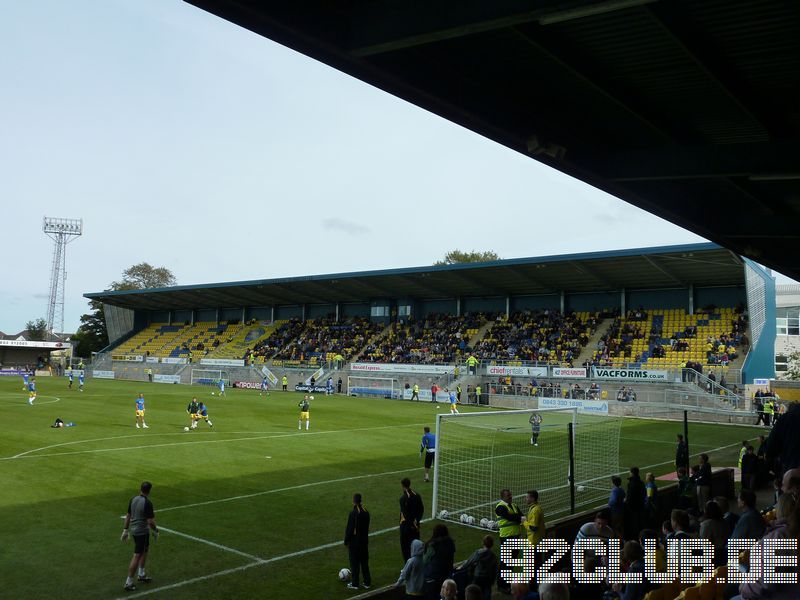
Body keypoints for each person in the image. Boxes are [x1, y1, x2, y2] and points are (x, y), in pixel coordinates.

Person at [120, 481, 158, 591]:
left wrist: (125, 530)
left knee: (144, 551)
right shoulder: (147, 503)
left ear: (140, 489)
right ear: (149, 491)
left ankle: (141, 574)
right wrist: (155, 530)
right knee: (137, 555)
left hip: (134, 531)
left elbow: (128, 516)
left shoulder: (133, 499)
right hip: (142, 532)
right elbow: (150, 521)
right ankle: (129, 582)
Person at [495, 489, 523, 594]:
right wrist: (518, 518)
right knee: (505, 563)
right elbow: (512, 517)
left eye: (510, 494)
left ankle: (507, 583)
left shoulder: (514, 505)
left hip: (515, 537)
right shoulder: (500, 507)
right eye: (508, 495)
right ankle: (502, 585)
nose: (510, 496)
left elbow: (521, 516)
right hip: (506, 537)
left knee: (510, 563)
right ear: (502, 497)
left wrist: (518, 518)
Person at [343, 493, 371, 590]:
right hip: (364, 542)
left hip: (355, 543)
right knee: (364, 563)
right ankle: (367, 582)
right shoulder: (366, 512)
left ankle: (355, 584)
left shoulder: (353, 513)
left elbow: (350, 529)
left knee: (354, 563)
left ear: (353, 501)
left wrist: (346, 541)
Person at [422, 524, 455, 600]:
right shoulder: (450, 542)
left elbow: (424, 561)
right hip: (447, 575)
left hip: (433, 577)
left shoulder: (432, 545)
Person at [460, 535, 498, 600]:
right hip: (488, 578)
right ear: (492, 544)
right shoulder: (493, 556)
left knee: (473, 593)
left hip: (478, 576)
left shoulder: (479, 553)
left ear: (483, 543)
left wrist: (461, 567)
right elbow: (495, 570)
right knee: (487, 595)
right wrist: (492, 580)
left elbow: (470, 561)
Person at [400, 478, 425, 562]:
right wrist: (417, 521)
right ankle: (417, 565)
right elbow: (421, 509)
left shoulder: (403, 498)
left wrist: (411, 524)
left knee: (406, 548)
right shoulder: (417, 495)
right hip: (416, 526)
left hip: (406, 527)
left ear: (402, 486)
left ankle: (408, 567)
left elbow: (405, 514)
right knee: (415, 547)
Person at [698, 500, 728, 567]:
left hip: (712, 557)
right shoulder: (724, 523)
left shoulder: (706, 524)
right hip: (723, 554)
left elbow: (704, 543)